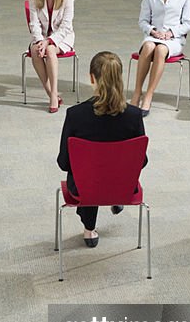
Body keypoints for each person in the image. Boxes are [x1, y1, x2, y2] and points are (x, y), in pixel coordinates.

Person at [58, 51, 146, 247]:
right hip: (123, 185)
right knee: (103, 171)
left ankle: (89, 229)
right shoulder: (134, 115)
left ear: (91, 78)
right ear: (120, 78)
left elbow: (63, 163)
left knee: (87, 174)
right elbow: (143, 160)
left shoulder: (75, 115)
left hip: (85, 188)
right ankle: (114, 197)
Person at [130, 0, 190, 116]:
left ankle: (149, 95)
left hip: (174, 39)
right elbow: (143, 20)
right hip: (154, 35)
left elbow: (188, 23)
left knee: (160, 50)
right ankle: (137, 92)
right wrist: (153, 31)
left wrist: (170, 33)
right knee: (149, 46)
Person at [27, 0, 75, 112]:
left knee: (49, 49)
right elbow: (33, 23)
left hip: (62, 38)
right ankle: (50, 93)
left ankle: (54, 93)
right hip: (41, 37)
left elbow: (66, 26)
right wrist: (39, 40)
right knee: (35, 50)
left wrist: (48, 41)